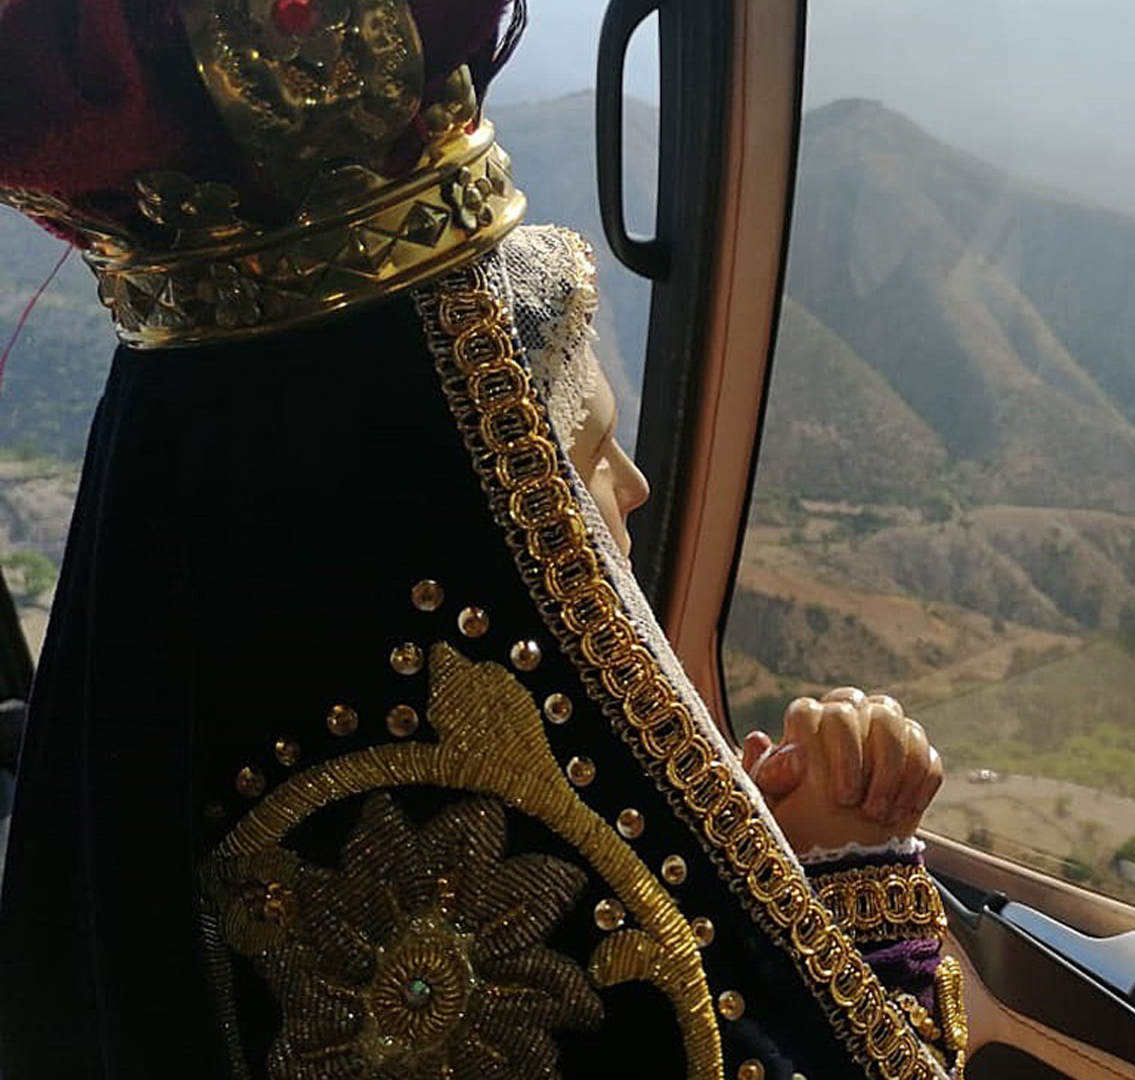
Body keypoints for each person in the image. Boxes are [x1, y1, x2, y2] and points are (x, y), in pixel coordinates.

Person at [0, 2, 966, 1079]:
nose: (636, 487)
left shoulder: (183, 818)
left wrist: (737, 868)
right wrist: (856, 877)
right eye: (585, 454)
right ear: (483, 514)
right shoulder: (478, 918)